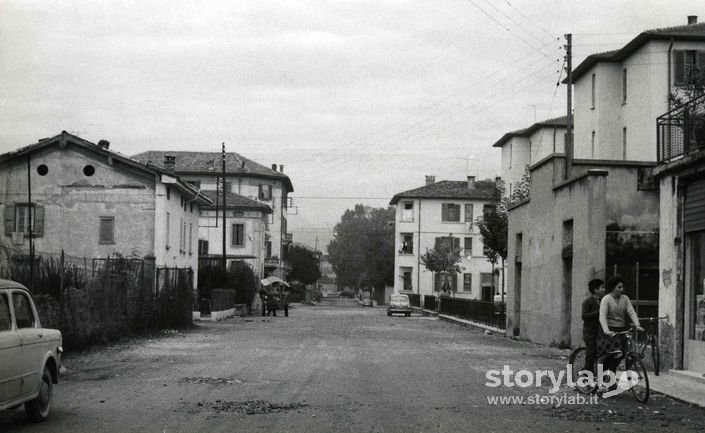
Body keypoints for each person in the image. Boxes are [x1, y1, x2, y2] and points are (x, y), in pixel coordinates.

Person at [597, 275, 643, 384]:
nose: (622, 289)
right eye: (619, 287)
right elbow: (602, 316)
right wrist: (606, 330)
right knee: (608, 356)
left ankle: (611, 380)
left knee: (620, 355)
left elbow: (631, 311)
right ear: (613, 287)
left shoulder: (625, 299)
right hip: (609, 330)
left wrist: (637, 325)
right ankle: (601, 379)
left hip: (621, 329)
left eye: (622, 287)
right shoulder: (606, 299)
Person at [581, 278, 605, 373]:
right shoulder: (588, 302)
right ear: (596, 290)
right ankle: (586, 375)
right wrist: (598, 312)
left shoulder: (603, 301)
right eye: (602, 287)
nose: (604, 289)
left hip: (600, 331)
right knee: (591, 352)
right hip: (590, 332)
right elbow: (584, 316)